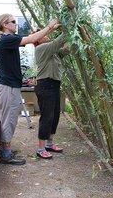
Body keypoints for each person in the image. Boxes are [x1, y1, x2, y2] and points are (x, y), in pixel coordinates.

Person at [0, 13, 61, 165]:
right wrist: (50, 26)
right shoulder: (6, 40)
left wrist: (51, 29)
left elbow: (34, 37)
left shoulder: (10, 39)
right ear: (5, 24)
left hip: (11, 86)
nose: (15, 24)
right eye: (12, 21)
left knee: (9, 118)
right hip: (8, 87)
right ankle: (6, 153)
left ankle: (5, 148)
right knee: (9, 119)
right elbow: (32, 39)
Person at [34, 30, 69, 159]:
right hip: (45, 85)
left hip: (54, 85)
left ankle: (49, 143)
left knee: (54, 116)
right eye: (44, 35)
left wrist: (71, 34)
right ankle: (40, 148)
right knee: (47, 117)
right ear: (38, 39)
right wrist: (66, 27)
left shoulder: (54, 53)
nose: (47, 35)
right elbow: (57, 42)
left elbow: (66, 49)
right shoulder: (41, 48)